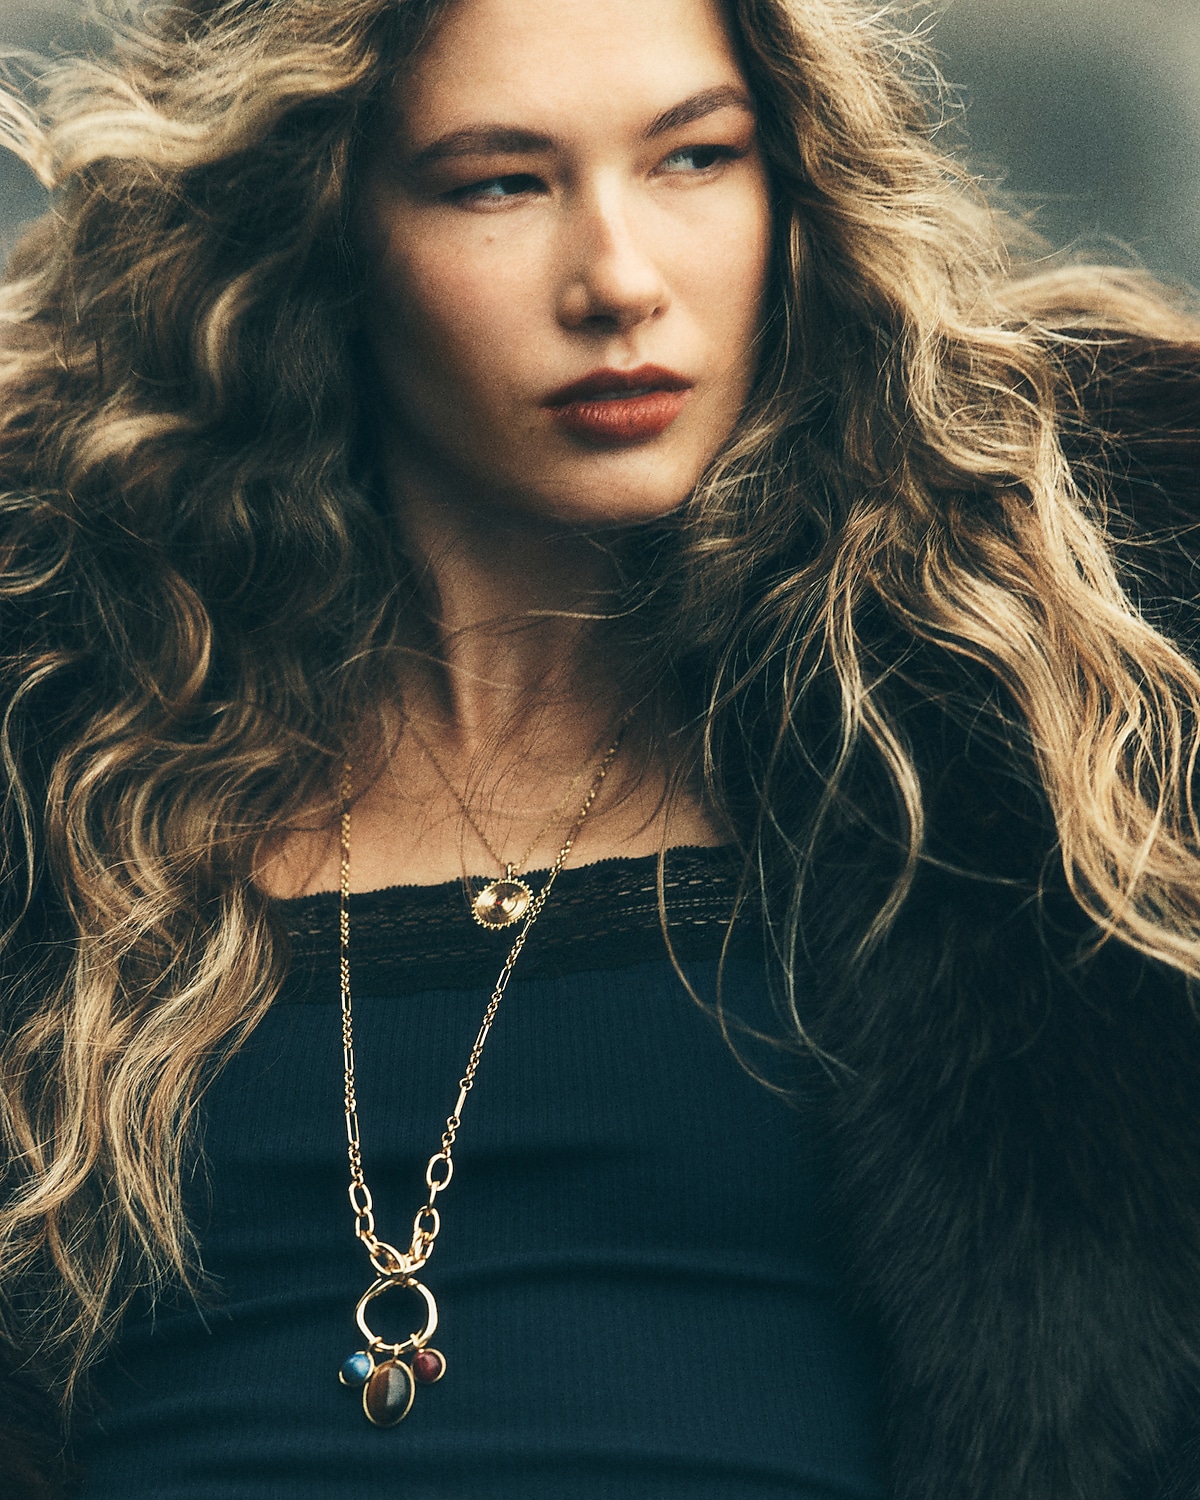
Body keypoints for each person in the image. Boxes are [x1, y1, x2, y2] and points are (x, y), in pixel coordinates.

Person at [1, 0, 1200, 1495]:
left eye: (696, 159)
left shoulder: (1031, 704)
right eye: (498, 182)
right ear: (317, 225)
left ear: (794, 186)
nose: (620, 281)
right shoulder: (68, 739)